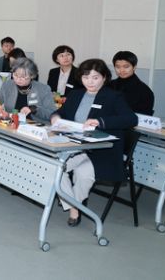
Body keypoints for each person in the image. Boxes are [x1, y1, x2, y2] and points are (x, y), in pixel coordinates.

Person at [50, 59, 138, 226]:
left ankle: (73, 209)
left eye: (95, 78)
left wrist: (101, 122)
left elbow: (131, 119)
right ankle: (74, 206)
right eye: (86, 77)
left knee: (83, 174)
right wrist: (55, 117)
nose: (90, 82)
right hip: (75, 147)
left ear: (104, 77)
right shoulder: (76, 94)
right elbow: (61, 112)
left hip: (103, 151)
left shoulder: (114, 97)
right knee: (54, 168)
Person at [0, 57, 55, 123]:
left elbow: (52, 113)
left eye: (23, 77)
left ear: (32, 76)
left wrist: (34, 109)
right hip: (12, 124)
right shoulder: (8, 85)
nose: (18, 79)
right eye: (15, 75)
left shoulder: (43, 89)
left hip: (35, 126)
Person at [110, 51, 154, 115]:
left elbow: (144, 116)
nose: (121, 70)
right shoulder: (109, 85)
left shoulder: (144, 91)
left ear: (134, 67)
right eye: (118, 67)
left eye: (126, 67)